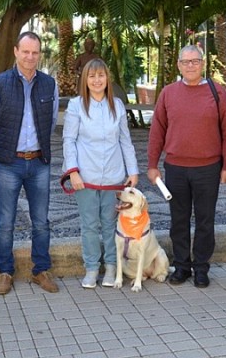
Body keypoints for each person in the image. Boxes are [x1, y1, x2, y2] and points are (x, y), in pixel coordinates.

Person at [147, 45, 226, 288]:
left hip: (208, 168)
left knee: (205, 220)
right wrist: (152, 164)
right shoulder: (168, 93)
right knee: (179, 219)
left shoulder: (217, 92)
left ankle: (201, 268)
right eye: (185, 62)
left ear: (202, 63)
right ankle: (182, 266)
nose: (190, 66)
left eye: (195, 61)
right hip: (175, 168)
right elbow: (157, 131)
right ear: (178, 65)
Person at [0, 31, 60, 295]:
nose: (30, 57)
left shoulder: (50, 84)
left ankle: (41, 271)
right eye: (25, 51)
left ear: (40, 54)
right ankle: (5, 272)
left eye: (35, 52)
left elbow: (49, 123)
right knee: (5, 221)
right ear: (15, 51)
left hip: (39, 162)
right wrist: (8, 149)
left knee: (41, 221)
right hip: (8, 164)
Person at [62, 59, 139, 289]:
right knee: (89, 224)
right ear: (85, 80)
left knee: (110, 224)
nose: (97, 80)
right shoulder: (76, 106)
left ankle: (112, 267)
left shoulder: (116, 104)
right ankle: (92, 268)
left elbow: (125, 140)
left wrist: (132, 170)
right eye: (92, 76)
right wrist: (72, 171)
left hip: (114, 177)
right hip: (85, 177)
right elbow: (69, 141)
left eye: (101, 76)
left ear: (107, 78)